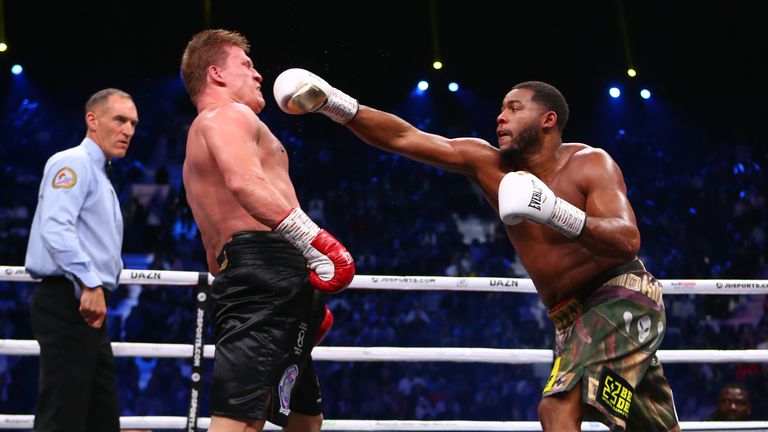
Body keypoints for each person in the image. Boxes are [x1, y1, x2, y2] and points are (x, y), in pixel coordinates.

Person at [273, 69, 681, 432]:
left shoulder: (590, 163)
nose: (500, 116)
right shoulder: (489, 165)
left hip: (619, 295)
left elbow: (627, 239)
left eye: (514, 108)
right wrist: (334, 102)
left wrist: (556, 211)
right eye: (501, 108)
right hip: (567, 316)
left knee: (556, 408)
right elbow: (405, 137)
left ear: (548, 120)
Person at [179, 30, 354, 432]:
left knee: (306, 420)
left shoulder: (198, 140)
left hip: (265, 274)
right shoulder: (227, 115)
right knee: (239, 421)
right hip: (268, 270)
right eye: (247, 65)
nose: (259, 75)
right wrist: (316, 243)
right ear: (216, 74)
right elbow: (245, 183)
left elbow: (217, 254)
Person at [24, 88, 138, 431]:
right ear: (92, 120)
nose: (129, 130)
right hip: (69, 299)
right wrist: (88, 281)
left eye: (133, 123)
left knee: (99, 417)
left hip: (88, 305)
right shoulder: (72, 162)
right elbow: (56, 228)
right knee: (63, 415)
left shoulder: (100, 173)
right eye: (120, 120)